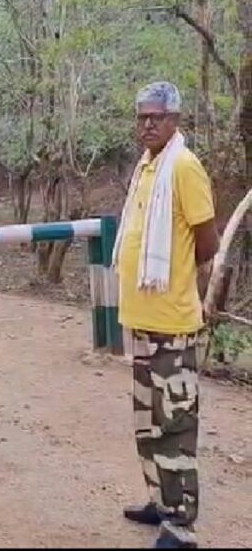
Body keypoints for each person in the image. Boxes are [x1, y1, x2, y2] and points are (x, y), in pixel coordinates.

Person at [113, 82, 219, 550]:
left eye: (156, 117)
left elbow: (207, 242)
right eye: (142, 117)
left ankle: (180, 524)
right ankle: (160, 499)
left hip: (172, 323)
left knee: (174, 424)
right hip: (142, 319)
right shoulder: (147, 166)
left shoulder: (184, 166)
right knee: (147, 421)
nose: (148, 124)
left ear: (175, 119)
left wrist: (176, 277)